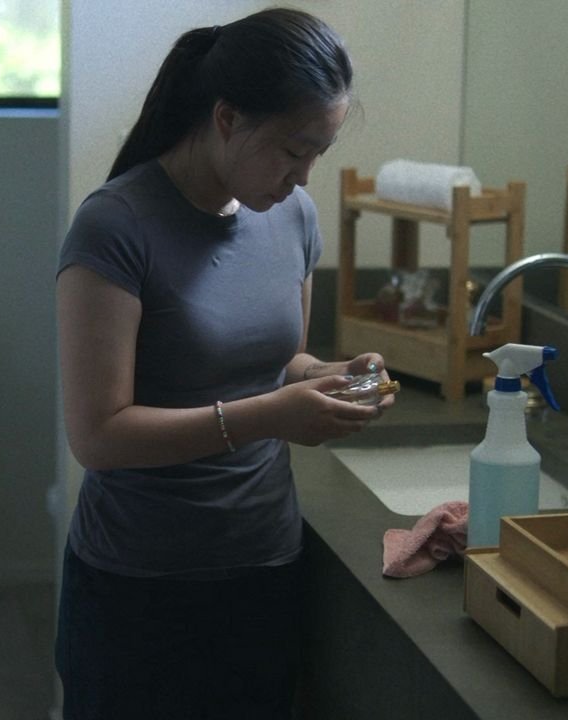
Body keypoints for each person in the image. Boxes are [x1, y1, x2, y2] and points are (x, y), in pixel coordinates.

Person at [54, 8, 393, 718]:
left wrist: (328, 379)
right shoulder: (116, 225)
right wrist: (274, 414)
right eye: (292, 150)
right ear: (228, 118)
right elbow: (98, 434)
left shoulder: (292, 218)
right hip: (140, 586)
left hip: (263, 563)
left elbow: (280, 362)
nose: (302, 179)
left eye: (317, 156)